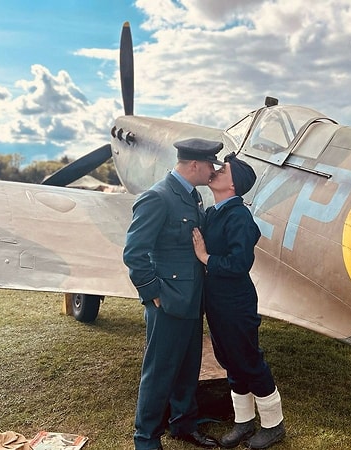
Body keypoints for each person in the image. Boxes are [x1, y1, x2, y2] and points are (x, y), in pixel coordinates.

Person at [122, 137, 224, 450]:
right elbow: (134, 253)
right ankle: (146, 438)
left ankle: (183, 423)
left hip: (192, 299)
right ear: (194, 164)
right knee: (160, 370)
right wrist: (153, 293)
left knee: (188, 365)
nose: (213, 170)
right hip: (167, 301)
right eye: (210, 164)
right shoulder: (158, 197)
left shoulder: (192, 196)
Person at [192, 152, 286, 449]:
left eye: (223, 170)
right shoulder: (215, 211)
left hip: (236, 302)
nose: (216, 171)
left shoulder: (238, 216)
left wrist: (205, 257)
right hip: (218, 302)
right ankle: (244, 422)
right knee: (229, 361)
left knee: (249, 361)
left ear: (233, 185)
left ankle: (274, 425)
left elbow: (239, 263)